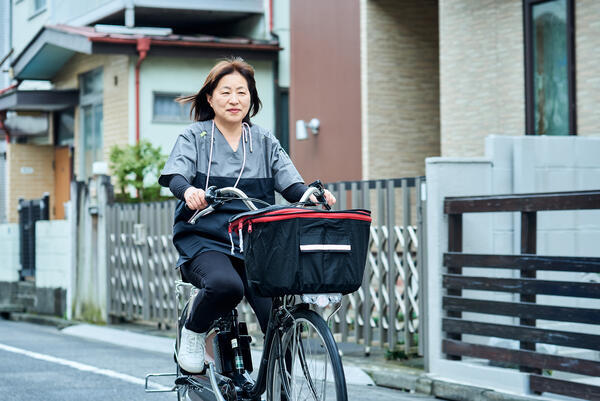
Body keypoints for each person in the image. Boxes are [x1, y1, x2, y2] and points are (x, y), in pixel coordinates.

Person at [158, 57, 336, 373]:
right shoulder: (195, 137)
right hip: (205, 238)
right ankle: (193, 330)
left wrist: (314, 195)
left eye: (242, 92)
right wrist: (188, 191)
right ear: (210, 98)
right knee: (227, 286)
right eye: (225, 92)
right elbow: (176, 176)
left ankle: (281, 383)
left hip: (256, 241)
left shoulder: (264, 139)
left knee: (279, 317)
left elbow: (292, 185)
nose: (234, 99)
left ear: (251, 98)